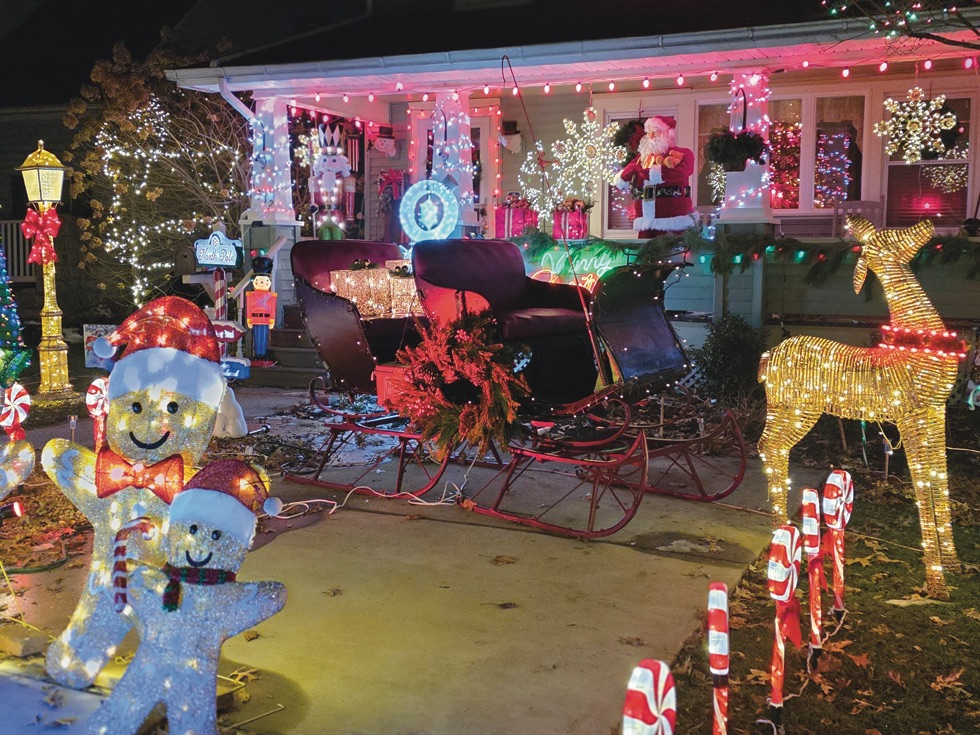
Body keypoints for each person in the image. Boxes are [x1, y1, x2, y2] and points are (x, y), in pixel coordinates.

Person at [613, 115, 698, 237]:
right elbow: (624, 177)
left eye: (656, 132)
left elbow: (683, 171)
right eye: (648, 132)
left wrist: (651, 173)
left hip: (674, 221)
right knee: (645, 249)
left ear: (668, 134)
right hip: (646, 223)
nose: (651, 136)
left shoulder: (683, 154)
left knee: (675, 249)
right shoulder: (642, 158)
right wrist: (627, 173)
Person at [245, 256, 277, 365]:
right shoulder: (251, 295)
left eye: (265, 280)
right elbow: (249, 306)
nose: (262, 282)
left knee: (264, 336)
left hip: (265, 318)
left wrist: (272, 320)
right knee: (256, 336)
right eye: (259, 280)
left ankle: (262, 354)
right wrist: (249, 319)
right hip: (255, 318)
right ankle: (257, 354)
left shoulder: (271, 296)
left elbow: (272, 308)